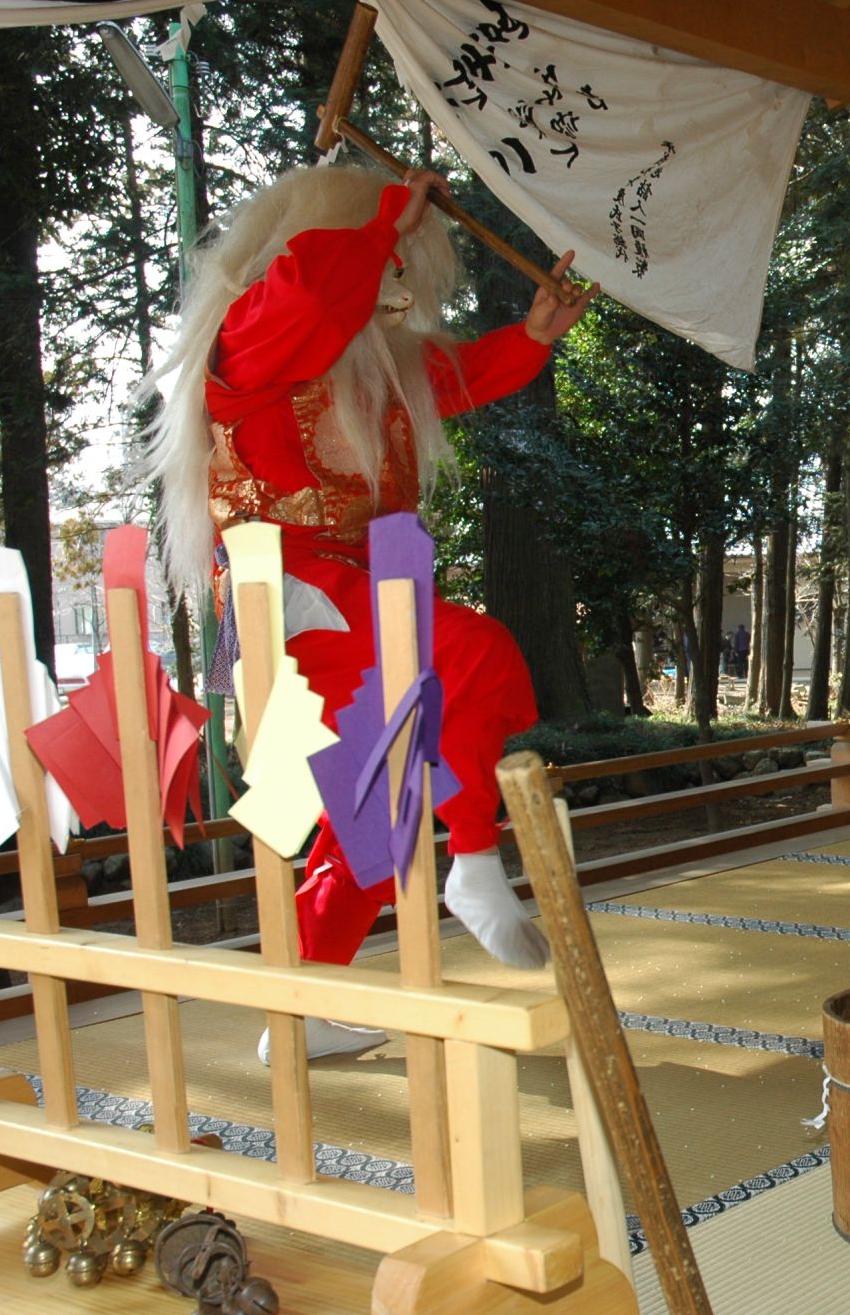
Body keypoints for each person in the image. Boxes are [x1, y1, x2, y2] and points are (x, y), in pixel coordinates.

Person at [144, 162, 594, 1061]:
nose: (398, 290)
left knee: (375, 811)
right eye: (391, 269)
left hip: (375, 590)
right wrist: (381, 219)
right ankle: (472, 860)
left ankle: (298, 1015)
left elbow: (458, 373)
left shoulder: (378, 361)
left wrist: (535, 336)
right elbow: (309, 300)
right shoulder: (245, 345)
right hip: (293, 605)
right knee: (475, 651)